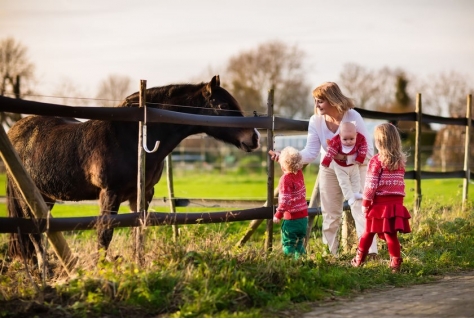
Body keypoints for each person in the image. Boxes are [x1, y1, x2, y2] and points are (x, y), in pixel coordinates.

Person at [270, 81, 378, 257]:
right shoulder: (316, 121)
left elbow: (369, 152)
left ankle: (368, 252)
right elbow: (311, 152)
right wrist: (286, 156)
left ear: (332, 100)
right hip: (330, 168)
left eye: (320, 100)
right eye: (315, 100)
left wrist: (345, 158)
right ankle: (330, 254)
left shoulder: (352, 117)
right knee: (330, 212)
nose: (317, 104)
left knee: (360, 208)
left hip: (357, 166)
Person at [351, 123, 411, 273]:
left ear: (379, 142)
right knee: (391, 236)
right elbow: (399, 185)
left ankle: (359, 260)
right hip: (395, 205)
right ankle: (395, 264)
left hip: (379, 205)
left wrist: (366, 203)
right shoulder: (400, 162)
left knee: (368, 233)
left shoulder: (376, 161)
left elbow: (370, 185)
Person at [272, 146, 308, 258]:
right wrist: (281, 159)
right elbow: (290, 165)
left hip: (291, 218)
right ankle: (302, 262)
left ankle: (289, 264)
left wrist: (278, 214)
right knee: (299, 242)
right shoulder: (299, 173)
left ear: (283, 166)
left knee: (289, 243)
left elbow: (285, 200)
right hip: (303, 218)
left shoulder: (284, 179)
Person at [321, 121, 368, 206]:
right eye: (345, 139)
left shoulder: (360, 139)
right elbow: (331, 152)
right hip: (340, 166)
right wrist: (326, 161)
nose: (348, 142)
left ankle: (356, 193)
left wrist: (360, 158)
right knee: (343, 182)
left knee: (356, 178)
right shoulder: (336, 141)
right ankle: (349, 197)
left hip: (353, 164)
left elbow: (364, 148)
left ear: (356, 135)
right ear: (340, 136)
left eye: (351, 139)